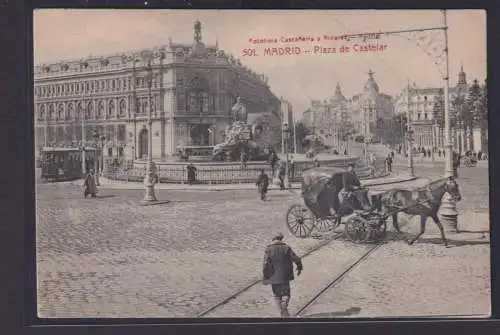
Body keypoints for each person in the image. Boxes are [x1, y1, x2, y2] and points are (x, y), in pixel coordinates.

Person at [262, 232, 303, 317]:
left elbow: (265, 263)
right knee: (286, 294)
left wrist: (265, 275)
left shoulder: (268, 249)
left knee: (277, 295)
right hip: (285, 276)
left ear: (273, 239)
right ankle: (284, 307)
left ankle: (281, 311)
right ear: (281, 239)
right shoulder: (287, 248)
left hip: (273, 276)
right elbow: (296, 259)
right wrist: (299, 267)